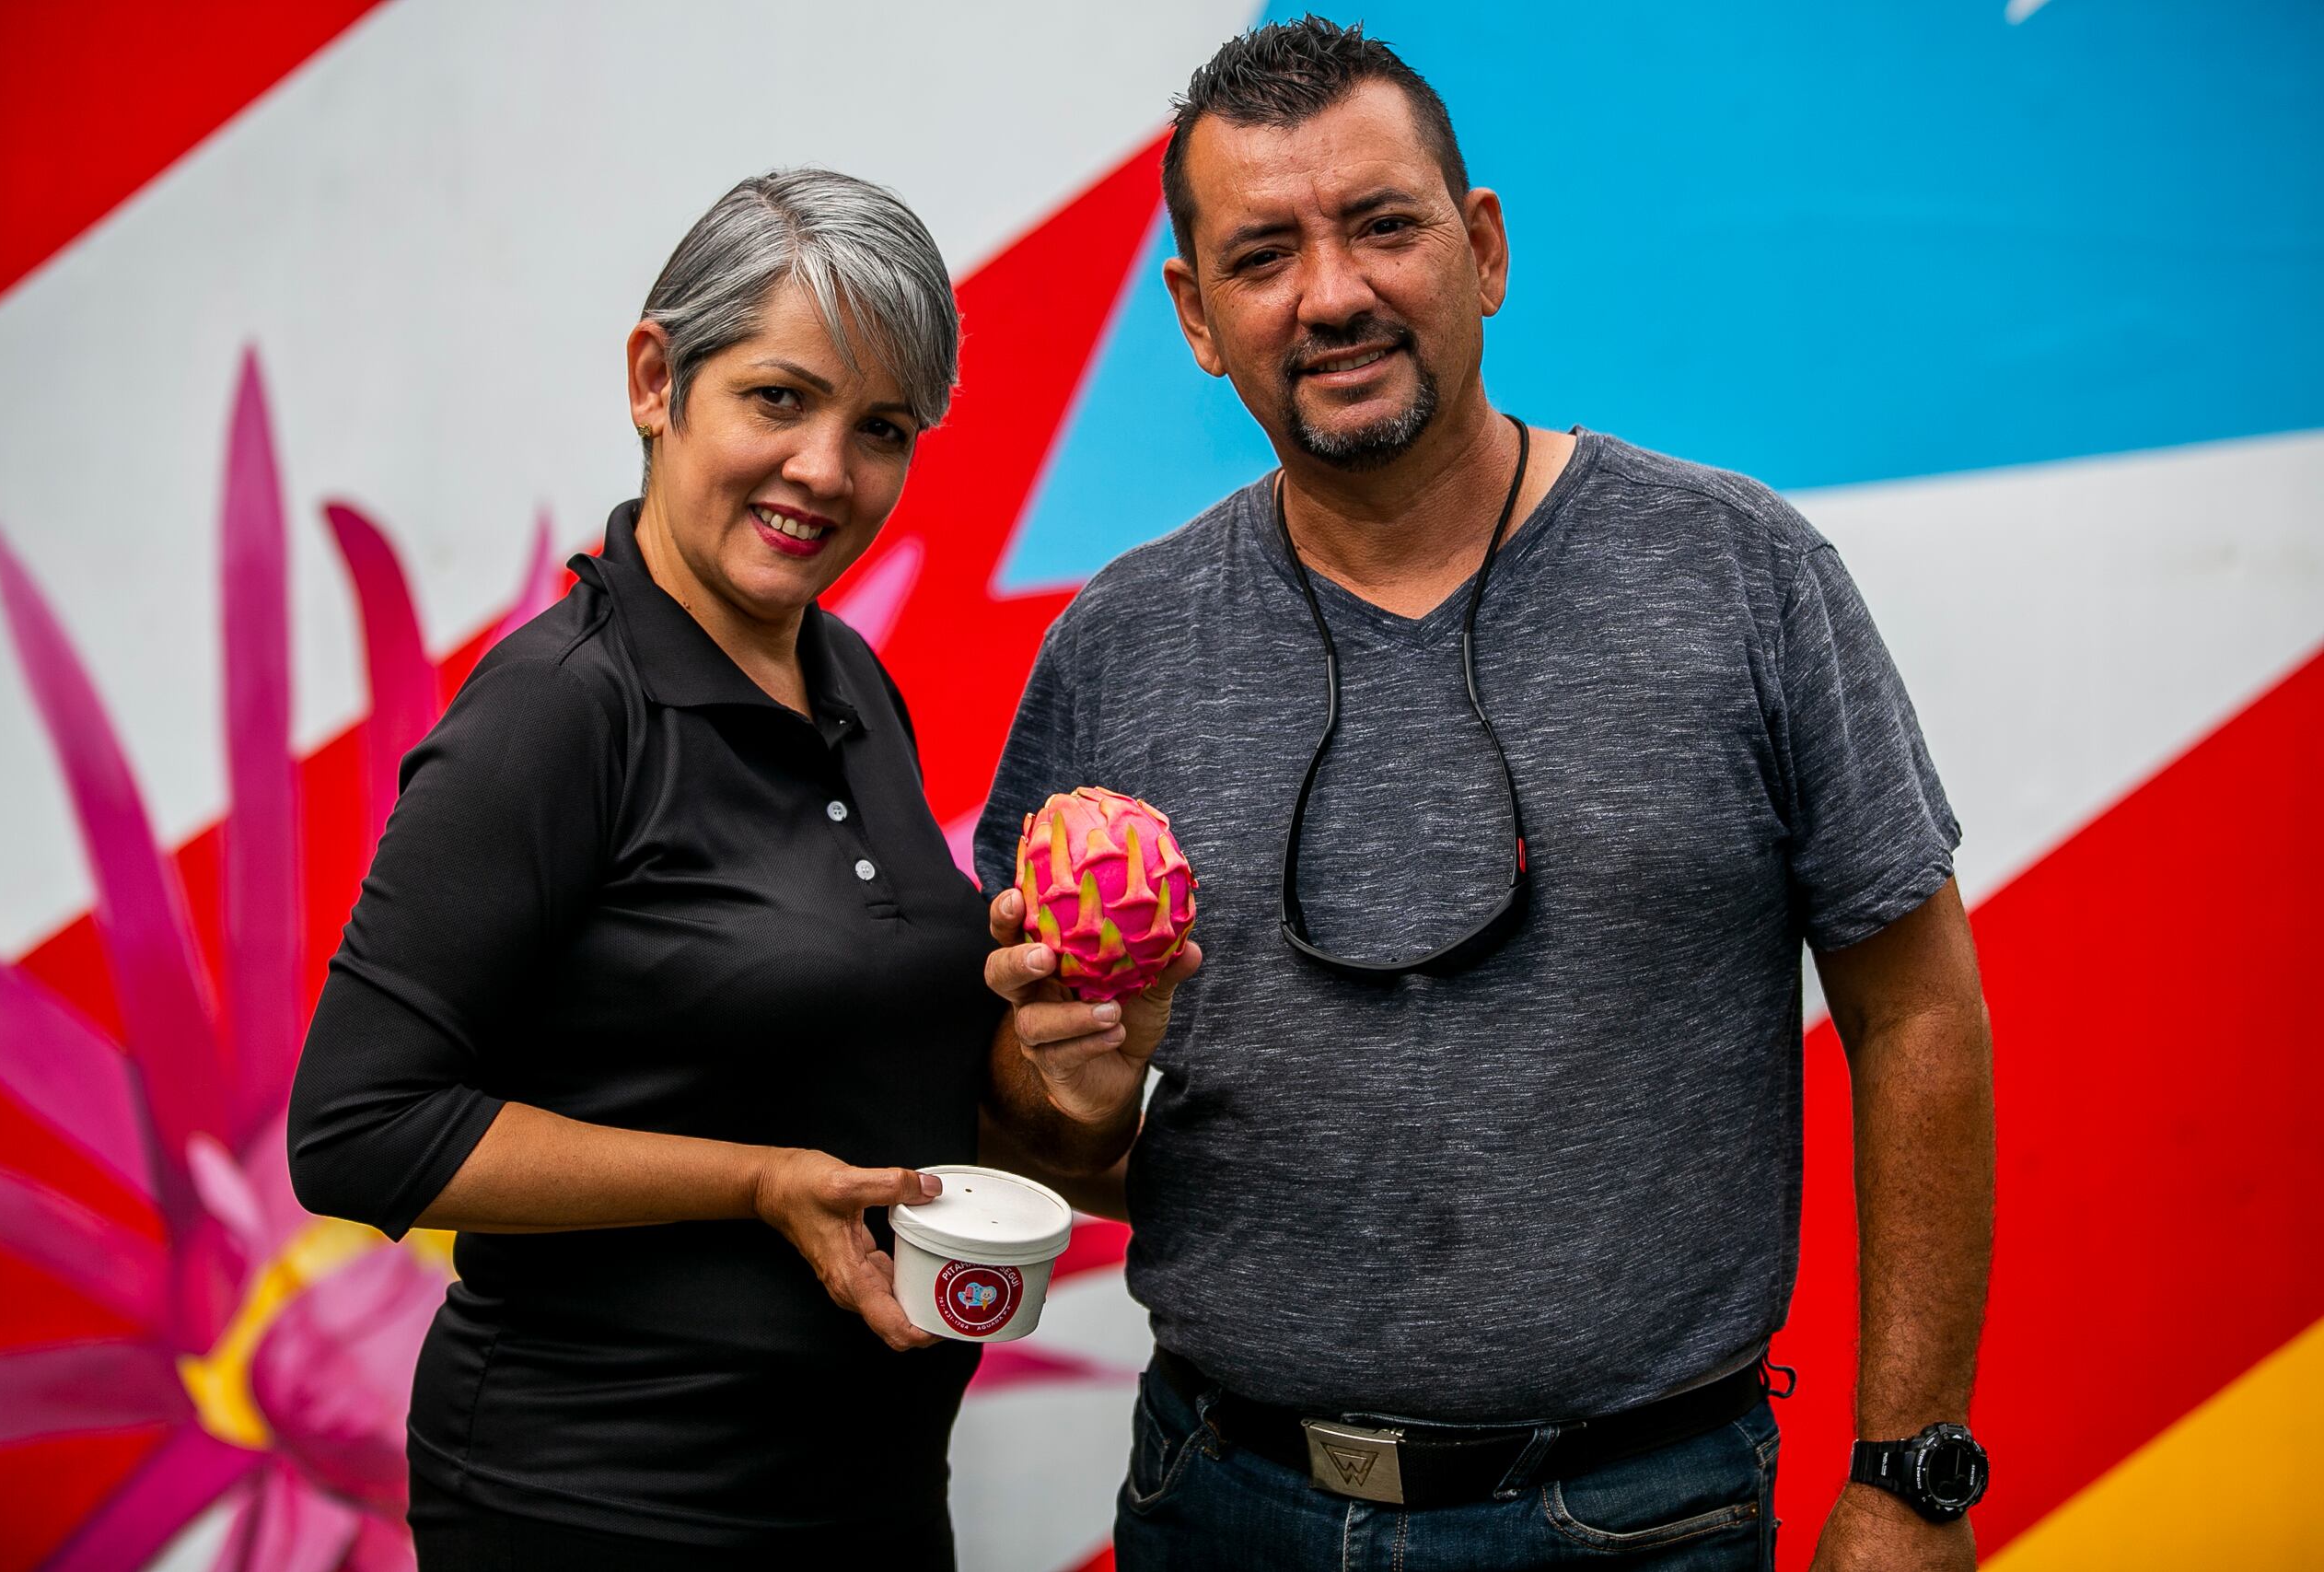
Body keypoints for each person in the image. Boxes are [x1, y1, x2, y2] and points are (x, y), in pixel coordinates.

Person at [977, 18, 1994, 1572]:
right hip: (1219, 1498)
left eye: (1382, 224)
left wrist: (1913, 1474)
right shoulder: (1115, 649)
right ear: (1195, 314)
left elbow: (1916, 1014)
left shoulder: (1739, 576)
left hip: (1645, 1514)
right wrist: (1080, 1080)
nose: (1331, 294)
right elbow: (1042, 1122)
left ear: (1483, 247)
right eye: (1263, 254)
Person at [288, 169, 997, 1569]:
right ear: (656, 379)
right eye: (780, 400)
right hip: (600, 1504)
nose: (827, 473)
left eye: (881, 430)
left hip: (862, 1503)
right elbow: (357, 1126)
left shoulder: (845, 675)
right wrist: (752, 1183)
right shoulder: (558, 711)